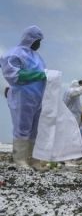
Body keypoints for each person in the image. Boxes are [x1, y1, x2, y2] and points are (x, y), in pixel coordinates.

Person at [0, 26, 47, 169]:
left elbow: (44, 73)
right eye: (37, 41)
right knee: (22, 127)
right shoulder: (14, 54)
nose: (39, 44)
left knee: (35, 129)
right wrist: (38, 75)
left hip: (37, 98)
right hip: (22, 97)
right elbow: (13, 75)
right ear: (30, 39)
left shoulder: (37, 57)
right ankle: (20, 159)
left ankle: (33, 159)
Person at [63, 79, 82, 154]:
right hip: (70, 118)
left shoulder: (75, 95)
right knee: (69, 137)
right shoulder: (71, 91)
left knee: (72, 137)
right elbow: (77, 92)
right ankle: (67, 153)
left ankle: (70, 153)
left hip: (74, 119)